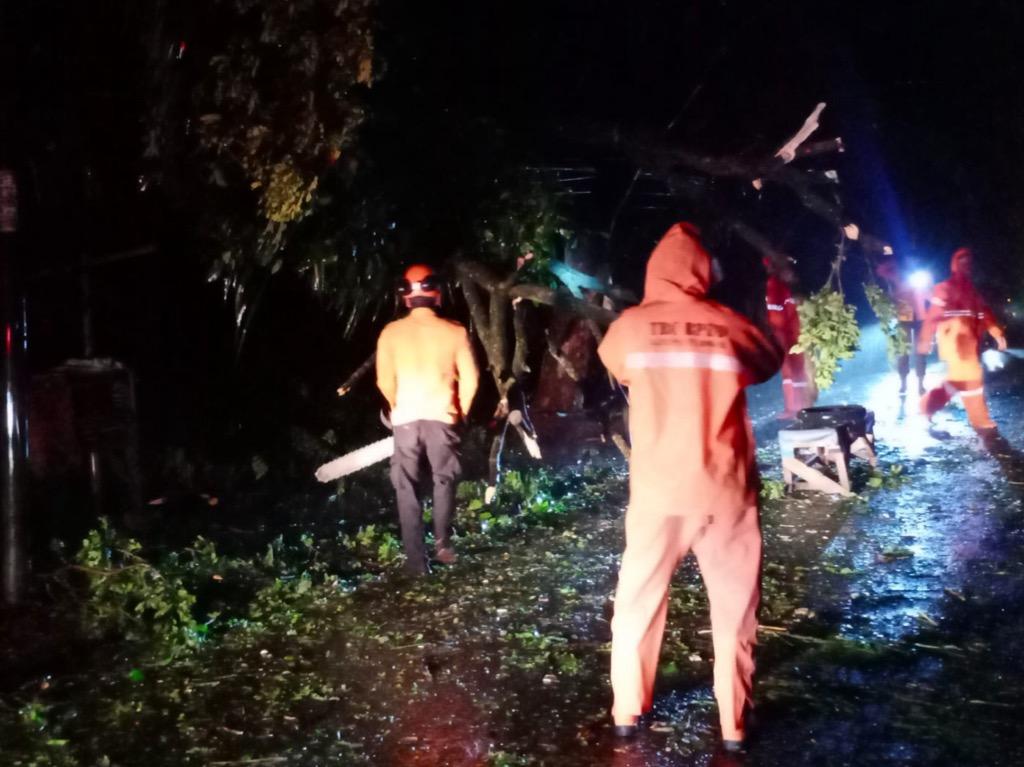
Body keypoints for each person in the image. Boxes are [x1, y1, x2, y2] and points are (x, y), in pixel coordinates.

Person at [597, 223, 784, 751]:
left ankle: (627, 712)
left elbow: (615, 366)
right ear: (703, 272)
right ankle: (733, 726)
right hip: (726, 492)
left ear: (655, 270)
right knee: (734, 610)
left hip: (658, 495)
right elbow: (766, 362)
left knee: (637, 603)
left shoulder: (630, 328)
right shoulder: (729, 324)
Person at [375, 264, 479, 574]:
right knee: (443, 479)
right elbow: (471, 380)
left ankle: (416, 562)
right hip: (442, 415)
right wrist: (461, 412)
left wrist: (397, 407)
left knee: (405, 485)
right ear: (437, 293)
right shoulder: (456, 331)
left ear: (404, 295)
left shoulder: (390, 332)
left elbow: (384, 381)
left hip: (405, 417)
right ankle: (443, 545)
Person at [919, 247, 1007, 430]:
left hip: (968, 344)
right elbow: (933, 316)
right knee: (972, 377)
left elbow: (984, 314)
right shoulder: (944, 288)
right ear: (955, 265)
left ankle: (927, 406)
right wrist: (925, 341)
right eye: (962, 262)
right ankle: (978, 419)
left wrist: (997, 334)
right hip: (955, 344)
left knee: (958, 381)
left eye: (969, 262)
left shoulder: (972, 292)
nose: (966, 266)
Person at [764, 260, 815, 418]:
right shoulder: (784, 285)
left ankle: (798, 407)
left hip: (789, 334)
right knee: (793, 372)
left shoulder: (776, 284)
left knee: (794, 371)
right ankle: (797, 405)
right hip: (790, 334)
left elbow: (777, 313)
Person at [876, 258, 929, 394]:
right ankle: (903, 383)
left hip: (919, 316)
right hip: (904, 315)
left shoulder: (917, 276)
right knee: (903, 351)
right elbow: (881, 272)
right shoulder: (895, 276)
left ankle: (920, 384)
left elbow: (928, 294)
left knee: (920, 351)